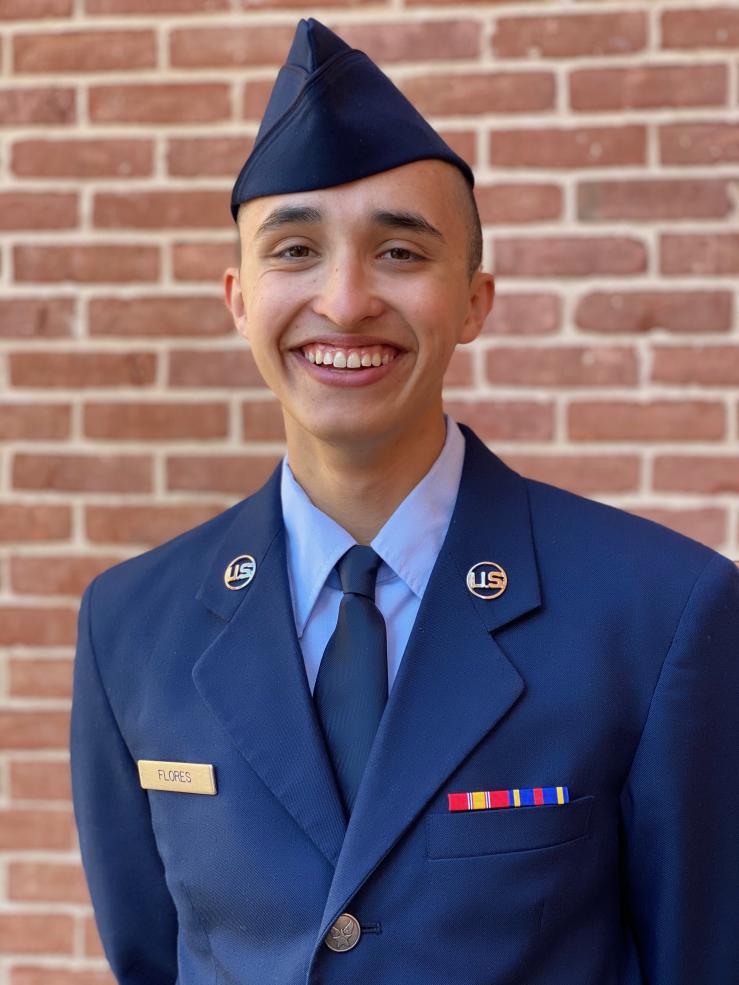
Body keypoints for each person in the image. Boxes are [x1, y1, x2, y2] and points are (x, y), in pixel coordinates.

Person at [70, 18, 739, 985]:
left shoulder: (660, 614)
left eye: (399, 253)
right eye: (294, 250)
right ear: (236, 296)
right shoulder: (130, 624)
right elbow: (149, 959)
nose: (343, 303)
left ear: (474, 300)